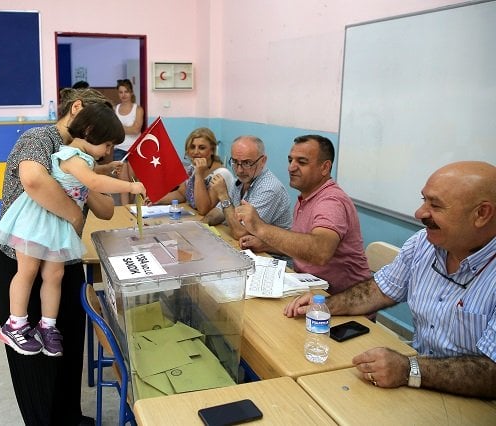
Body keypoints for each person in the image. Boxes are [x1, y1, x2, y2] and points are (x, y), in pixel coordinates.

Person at [285, 161, 496, 399]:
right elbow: (378, 291)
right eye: (423, 200)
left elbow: (492, 375)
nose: (420, 214)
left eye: (435, 205)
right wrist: (325, 305)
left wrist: (409, 370)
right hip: (421, 381)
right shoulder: (423, 243)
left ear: (481, 214)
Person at [0, 88, 117, 425]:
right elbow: (33, 179)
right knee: (34, 362)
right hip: (23, 261)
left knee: (66, 345)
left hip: (62, 261)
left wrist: (92, 180)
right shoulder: (40, 138)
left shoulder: (81, 156)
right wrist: (74, 215)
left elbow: (104, 209)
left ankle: (69, 417)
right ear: (76, 109)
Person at [0, 103, 146, 358]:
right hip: (38, 220)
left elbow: (92, 178)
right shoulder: (70, 155)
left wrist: (105, 169)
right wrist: (130, 187)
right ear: (89, 131)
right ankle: (15, 323)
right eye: (108, 144)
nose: (109, 151)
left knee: (55, 275)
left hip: (57, 225)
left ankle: (47, 325)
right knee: (28, 270)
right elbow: (92, 181)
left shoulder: (81, 159)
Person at [236, 135, 370, 293]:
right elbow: (303, 244)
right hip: (308, 288)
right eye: (290, 160)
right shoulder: (305, 196)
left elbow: (320, 251)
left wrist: (260, 228)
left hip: (340, 302)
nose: (291, 168)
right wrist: (265, 244)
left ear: (325, 168)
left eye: (302, 162)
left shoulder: (331, 201)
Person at [202, 135, 293, 240]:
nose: (239, 170)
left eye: (247, 163)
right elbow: (219, 212)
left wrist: (223, 195)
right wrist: (199, 226)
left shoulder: (269, 188)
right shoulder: (241, 180)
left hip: (269, 254)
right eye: (235, 162)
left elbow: (241, 233)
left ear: (263, 161)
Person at [153, 127, 234, 214]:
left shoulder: (222, 174)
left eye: (201, 148)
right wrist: (158, 199)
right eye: (192, 147)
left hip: (216, 224)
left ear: (212, 150)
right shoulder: (192, 168)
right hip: (195, 217)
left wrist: (199, 175)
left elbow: (203, 209)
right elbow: (181, 194)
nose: (195, 152)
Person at [113, 78, 144, 205]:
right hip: (119, 149)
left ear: (131, 92)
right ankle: (125, 211)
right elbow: (112, 130)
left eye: (126, 91)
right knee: (123, 185)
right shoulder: (115, 109)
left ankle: (132, 210)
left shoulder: (138, 109)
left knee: (132, 184)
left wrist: (119, 127)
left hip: (135, 149)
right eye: (121, 92)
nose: (123, 95)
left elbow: (136, 130)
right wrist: (126, 129)